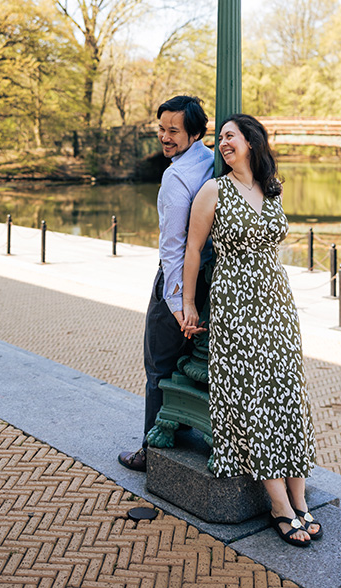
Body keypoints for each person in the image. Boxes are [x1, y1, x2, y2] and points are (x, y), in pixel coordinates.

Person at [180, 114, 318, 547]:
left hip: (277, 303)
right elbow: (193, 249)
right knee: (253, 396)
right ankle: (279, 505)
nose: (223, 143)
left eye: (230, 136)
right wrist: (187, 303)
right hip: (236, 304)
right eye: (220, 137)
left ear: (252, 142)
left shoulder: (272, 187)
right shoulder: (214, 190)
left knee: (287, 391)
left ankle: (299, 498)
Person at [118, 95, 214, 473]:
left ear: (195, 133)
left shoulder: (176, 177)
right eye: (161, 129)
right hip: (207, 281)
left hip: (175, 285)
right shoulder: (213, 161)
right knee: (188, 362)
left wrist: (176, 305)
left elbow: (173, 249)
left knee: (158, 365)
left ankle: (151, 449)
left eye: (174, 130)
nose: (164, 137)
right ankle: (182, 428)